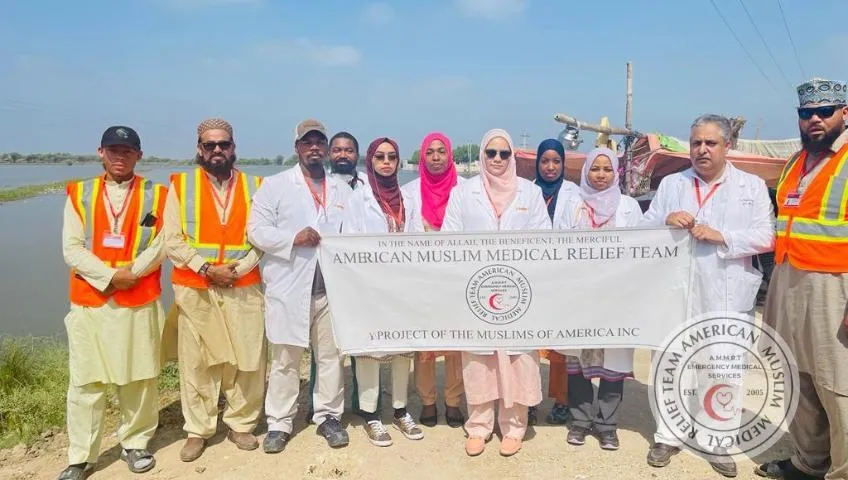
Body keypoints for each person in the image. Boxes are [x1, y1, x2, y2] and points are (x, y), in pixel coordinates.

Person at [641, 114, 774, 478]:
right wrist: (666, 219)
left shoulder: (751, 187)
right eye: (696, 142)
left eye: (710, 143)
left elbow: (767, 236)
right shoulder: (671, 184)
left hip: (728, 291)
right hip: (678, 290)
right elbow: (644, 228)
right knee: (671, 362)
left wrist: (724, 236)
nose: (701, 149)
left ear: (727, 146)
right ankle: (668, 435)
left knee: (724, 366)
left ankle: (717, 439)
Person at [58, 126, 167, 479]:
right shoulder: (80, 194)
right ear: (100, 152)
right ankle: (81, 456)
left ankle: (135, 443)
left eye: (128, 150)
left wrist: (131, 273)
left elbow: (163, 244)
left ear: (139, 154)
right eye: (113, 150)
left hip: (138, 298)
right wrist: (109, 276)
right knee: (85, 382)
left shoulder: (159, 195)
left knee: (138, 376)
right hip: (91, 301)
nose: (120, 156)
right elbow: (71, 248)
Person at [756, 78, 848, 480]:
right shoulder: (796, 162)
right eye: (807, 113)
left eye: (825, 112)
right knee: (797, 377)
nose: (814, 119)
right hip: (789, 278)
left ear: (843, 113)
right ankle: (810, 463)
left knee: (838, 385)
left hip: (834, 286)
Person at [442, 128, 550, 457]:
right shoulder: (464, 192)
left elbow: (544, 238)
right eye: (492, 153)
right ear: (482, 156)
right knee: (479, 359)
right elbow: (450, 236)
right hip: (477, 290)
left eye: (504, 153)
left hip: (518, 291)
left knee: (517, 359)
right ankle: (478, 425)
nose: (498, 159)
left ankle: (515, 426)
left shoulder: (529, 193)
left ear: (513, 156)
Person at [247, 119, 352, 454]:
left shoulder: (342, 189)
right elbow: (255, 230)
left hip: (330, 289)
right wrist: (293, 238)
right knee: (284, 359)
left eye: (320, 142)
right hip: (290, 288)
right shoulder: (274, 186)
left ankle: (328, 416)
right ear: (297, 147)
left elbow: (356, 231)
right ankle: (279, 422)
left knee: (331, 357)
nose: (314, 148)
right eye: (308, 142)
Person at [164, 118, 266, 462]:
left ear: (234, 147)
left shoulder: (257, 185)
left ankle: (241, 423)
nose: (217, 150)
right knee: (197, 362)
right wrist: (207, 269)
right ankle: (198, 429)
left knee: (248, 358)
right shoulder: (179, 185)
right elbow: (171, 240)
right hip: (196, 288)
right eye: (210, 145)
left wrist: (238, 269)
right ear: (199, 149)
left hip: (244, 285)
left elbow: (264, 239)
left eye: (224, 144)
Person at [554, 147, 640, 451]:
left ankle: (607, 424)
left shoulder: (629, 206)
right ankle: (579, 420)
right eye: (595, 169)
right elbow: (557, 245)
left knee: (613, 362)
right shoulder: (571, 204)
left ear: (615, 173)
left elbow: (641, 249)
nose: (601, 175)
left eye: (607, 169)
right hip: (579, 294)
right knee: (578, 359)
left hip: (617, 295)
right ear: (585, 171)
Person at [343, 137, 425, 446]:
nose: (387, 162)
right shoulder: (358, 199)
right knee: (371, 351)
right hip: (369, 286)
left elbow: (416, 241)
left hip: (402, 287)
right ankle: (371, 415)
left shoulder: (407, 199)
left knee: (403, 350)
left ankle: (401, 410)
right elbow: (350, 243)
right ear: (370, 161)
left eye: (392, 156)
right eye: (380, 157)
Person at [401, 132, 466, 428]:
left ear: (449, 155)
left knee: (457, 341)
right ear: (423, 157)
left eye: (442, 151)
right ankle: (428, 402)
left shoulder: (466, 190)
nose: (437, 157)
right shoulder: (409, 191)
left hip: (456, 277)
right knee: (424, 342)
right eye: (431, 152)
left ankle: (453, 401)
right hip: (422, 278)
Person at [533, 138, 578, 426]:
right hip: (534, 277)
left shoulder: (575, 194)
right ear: (537, 163)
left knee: (561, 346)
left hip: (563, 280)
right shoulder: (526, 191)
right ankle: (528, 400)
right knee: (530, 344)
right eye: (545, 161)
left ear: (563, 164)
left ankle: (562, 401)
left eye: (556, 161)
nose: (550, 167)